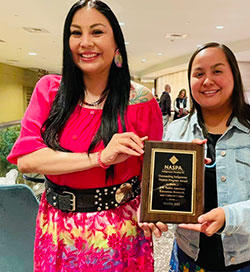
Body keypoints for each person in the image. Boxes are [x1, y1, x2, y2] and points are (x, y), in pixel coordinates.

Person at [7, 0, 163, 271]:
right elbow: (27, 159)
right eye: (76, 33)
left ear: (117, 42)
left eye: (97, 32)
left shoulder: (140, 100)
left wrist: (158, 209)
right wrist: (100, 157)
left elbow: (153, 170)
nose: (85, 42)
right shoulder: (50, 90)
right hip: (57, 227)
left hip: (119, 231)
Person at [144, 42, 250, 272]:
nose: (207, 81)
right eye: (199, 74)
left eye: (217, 71)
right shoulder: (177, 131)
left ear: (234, 76)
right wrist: (156, 214)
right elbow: (167, 193)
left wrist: (229, 217)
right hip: (190, 257)